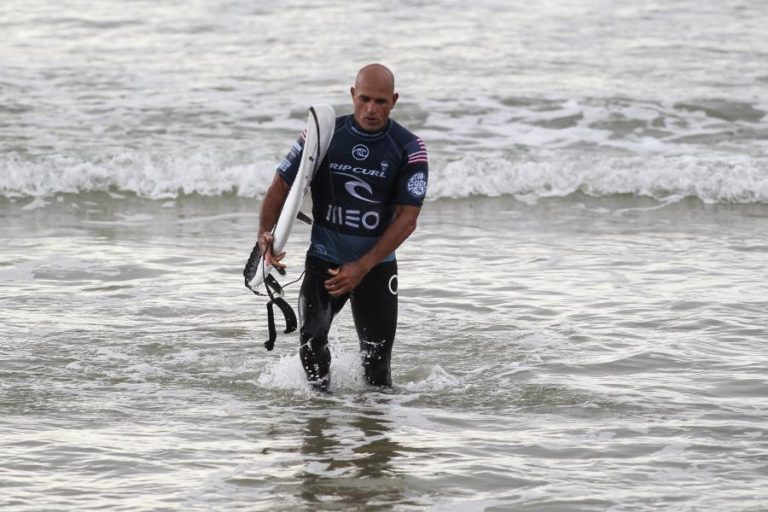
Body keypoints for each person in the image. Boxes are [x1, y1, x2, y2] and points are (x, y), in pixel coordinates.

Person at [257, 63, 428, 392]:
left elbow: (408, 220)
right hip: (325, 258)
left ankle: (376, 434)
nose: (371, 109)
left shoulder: (409, 148)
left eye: (380, 102)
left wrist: (362, 267)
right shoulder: (322, 137)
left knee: (377, 368)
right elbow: (282, 185)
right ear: (352, 94)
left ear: (394, 100)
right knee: (311, 341)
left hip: (376, 266)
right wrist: (266, 235)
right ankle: (320, 417)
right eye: (364, 99)